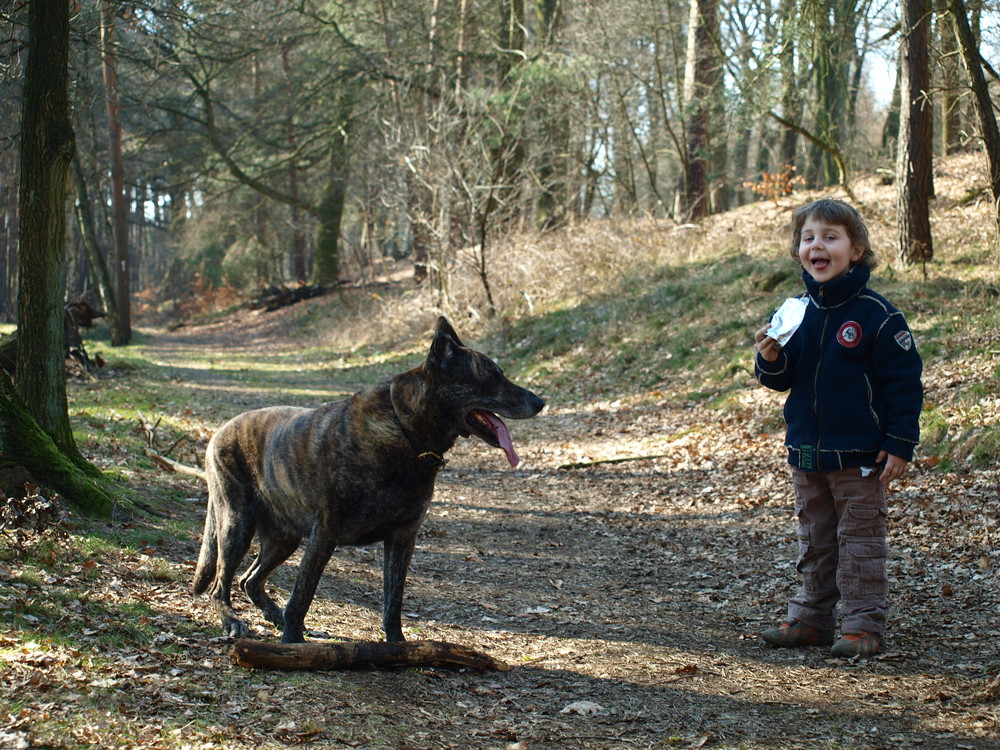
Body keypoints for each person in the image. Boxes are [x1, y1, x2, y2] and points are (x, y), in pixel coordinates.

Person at [753, 198, 923, 658]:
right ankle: (811, 618)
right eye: (808, 238)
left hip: (860, 458)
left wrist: (900, 443)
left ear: (856, 248)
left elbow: (904, 385)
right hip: (808, 454)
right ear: (798, 251)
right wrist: (769, 358)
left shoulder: (877, 316)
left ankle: (864, 624)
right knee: (816, 540)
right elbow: (781, 377)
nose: (817, 246)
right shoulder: (796, 312)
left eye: (830, 237)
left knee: (860, 541)